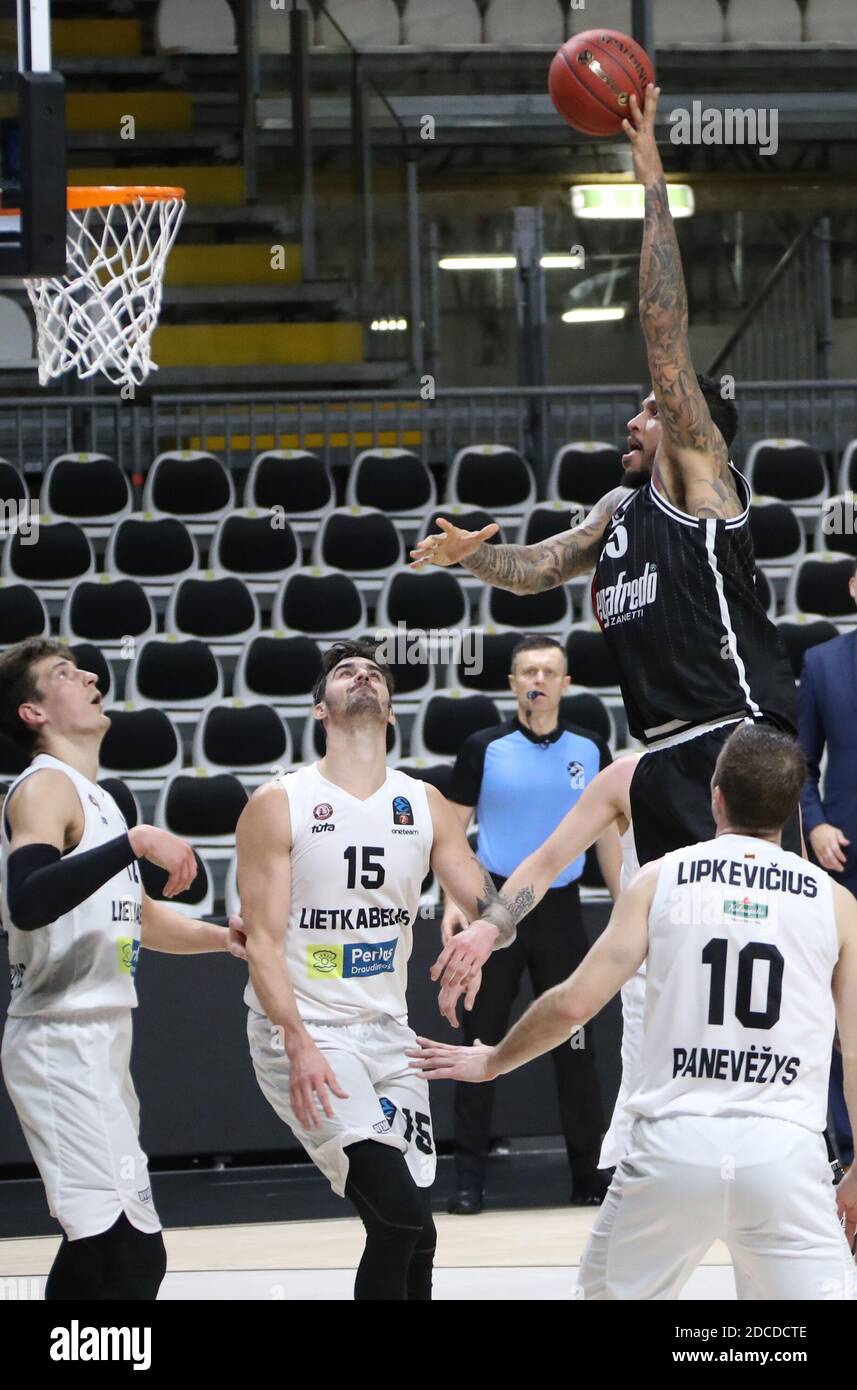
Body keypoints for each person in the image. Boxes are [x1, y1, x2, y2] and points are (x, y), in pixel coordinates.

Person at [410, 85, 800, 866]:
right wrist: (473, 556)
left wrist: (649, 178)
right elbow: (536, 571)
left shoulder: (701, 481)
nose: (633, 421)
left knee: (730, 931)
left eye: (649, 411)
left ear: (691, 428)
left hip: (733, 733)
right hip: (659, 748)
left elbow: (664, 333)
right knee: (669, 950)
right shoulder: (620, 508)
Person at [412, 724, 857, 1300]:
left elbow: (572, 1001)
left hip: (673, 1144)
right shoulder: (834, 901)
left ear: (715, 795)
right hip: (787, 1154)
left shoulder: (660, 878)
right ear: (795, 808)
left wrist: (495, 1059)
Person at [234, 640, 517, 1301]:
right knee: (394, 1219)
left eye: (374, 673)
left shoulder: (422, 802)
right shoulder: (279, 803)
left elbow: (498, 909)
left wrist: (482, 935)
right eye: (345, 672)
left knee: (418, 1231)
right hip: (307, 1031)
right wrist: (297, 1040)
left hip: (389, 1035)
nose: (362, 677)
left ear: (390, 709)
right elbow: (264, 945)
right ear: (318, 709)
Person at [0, 637, 242, 1301]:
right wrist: (134, 843)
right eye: (62, 674)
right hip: (58, 1038)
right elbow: (27, 901)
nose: (86, 676)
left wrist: (227, 937)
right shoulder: (46, 788)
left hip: (99, 1039)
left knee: (103, 1248)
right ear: (33, 712)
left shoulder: (100, 797)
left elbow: (146, 920)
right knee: (129, 1254)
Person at [440, 634, 623, 1213]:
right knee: (477, 1041)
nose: (538, 680)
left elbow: (612, 839)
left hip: (563, 912)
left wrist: (627, 905)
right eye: (527, 671)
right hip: (492, 907)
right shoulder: (483, 747)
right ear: (513, 683)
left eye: (548, 670)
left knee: (575, 1044)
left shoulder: (592, 748)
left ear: (566, 683)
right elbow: (451, 833)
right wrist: (453, 901)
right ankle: (468, 1180)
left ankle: (588, 1177)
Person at [798, 555, 857, 1166]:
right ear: (853, 588)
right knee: (846, 1009)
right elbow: (799, 763)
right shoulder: (822, 663)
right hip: (846, 864)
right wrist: (813, 826)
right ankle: (850, 1149)